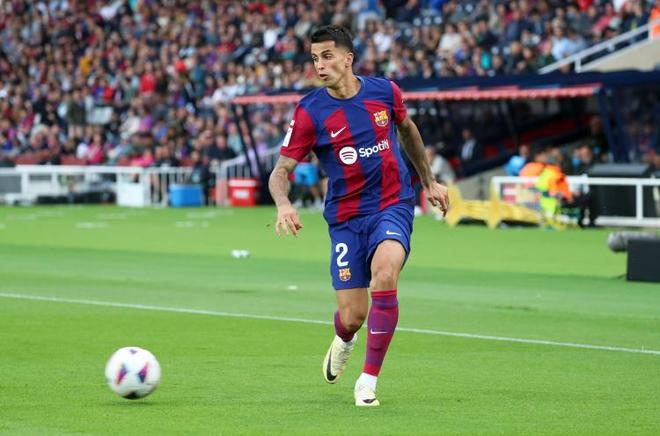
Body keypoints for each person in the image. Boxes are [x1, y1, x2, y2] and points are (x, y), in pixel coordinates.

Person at [268, 25, 449, 407]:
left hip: (392, 204)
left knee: (385, 272)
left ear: (348, 58)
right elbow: (280, 171)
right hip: (346, 219)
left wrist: (429, 181)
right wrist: (284, 204)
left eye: (327, 56)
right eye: (315, 58)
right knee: (353, 316)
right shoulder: (310, 111)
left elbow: (407, 130)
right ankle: (344, 337)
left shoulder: (384, 92)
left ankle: (367, 381)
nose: (320, 65)